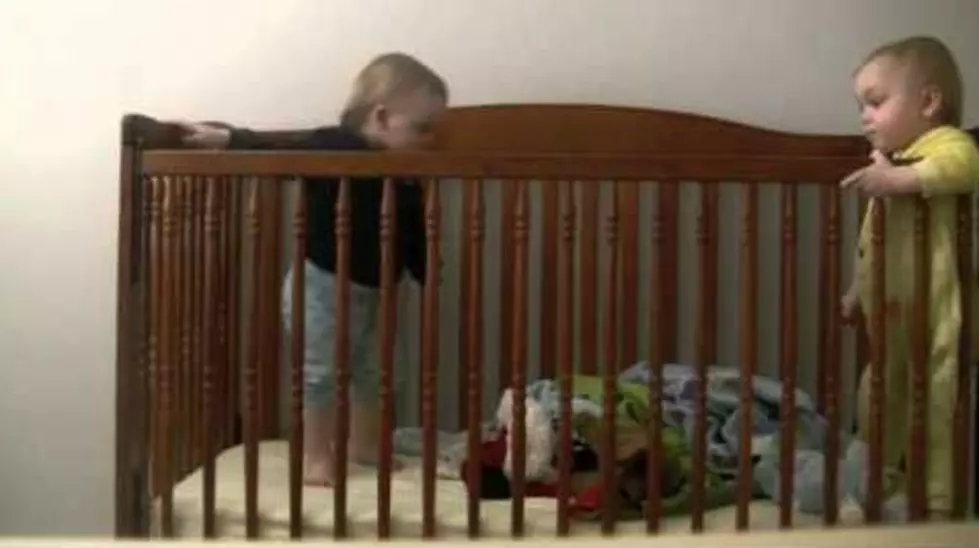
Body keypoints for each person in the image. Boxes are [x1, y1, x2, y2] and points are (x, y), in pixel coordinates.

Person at [179, 52, 449, 486]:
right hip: (321, 286)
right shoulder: (334, 147)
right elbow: (282, 153)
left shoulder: (406, 174)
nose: (431, 139)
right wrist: (231, 140)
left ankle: (362, 444)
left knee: (375, 371)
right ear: (380, 117)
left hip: (378, 292)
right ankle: (315, 458)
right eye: (422, 127)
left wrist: (425, 270)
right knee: (320, 373)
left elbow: (415, 230)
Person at [839, 35, 979, 515]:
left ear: (929, 101)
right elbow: (876, 243)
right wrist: (858, 288)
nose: (865, 116)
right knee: (878, 394)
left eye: (876, 102)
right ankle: (883, 477)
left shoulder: (943, 145)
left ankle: (938, 500)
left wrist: (898, 180)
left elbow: (964, 167)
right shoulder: (892, 165)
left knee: (938, 399)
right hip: (891, 315)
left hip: (938, 311)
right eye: (861, 105)